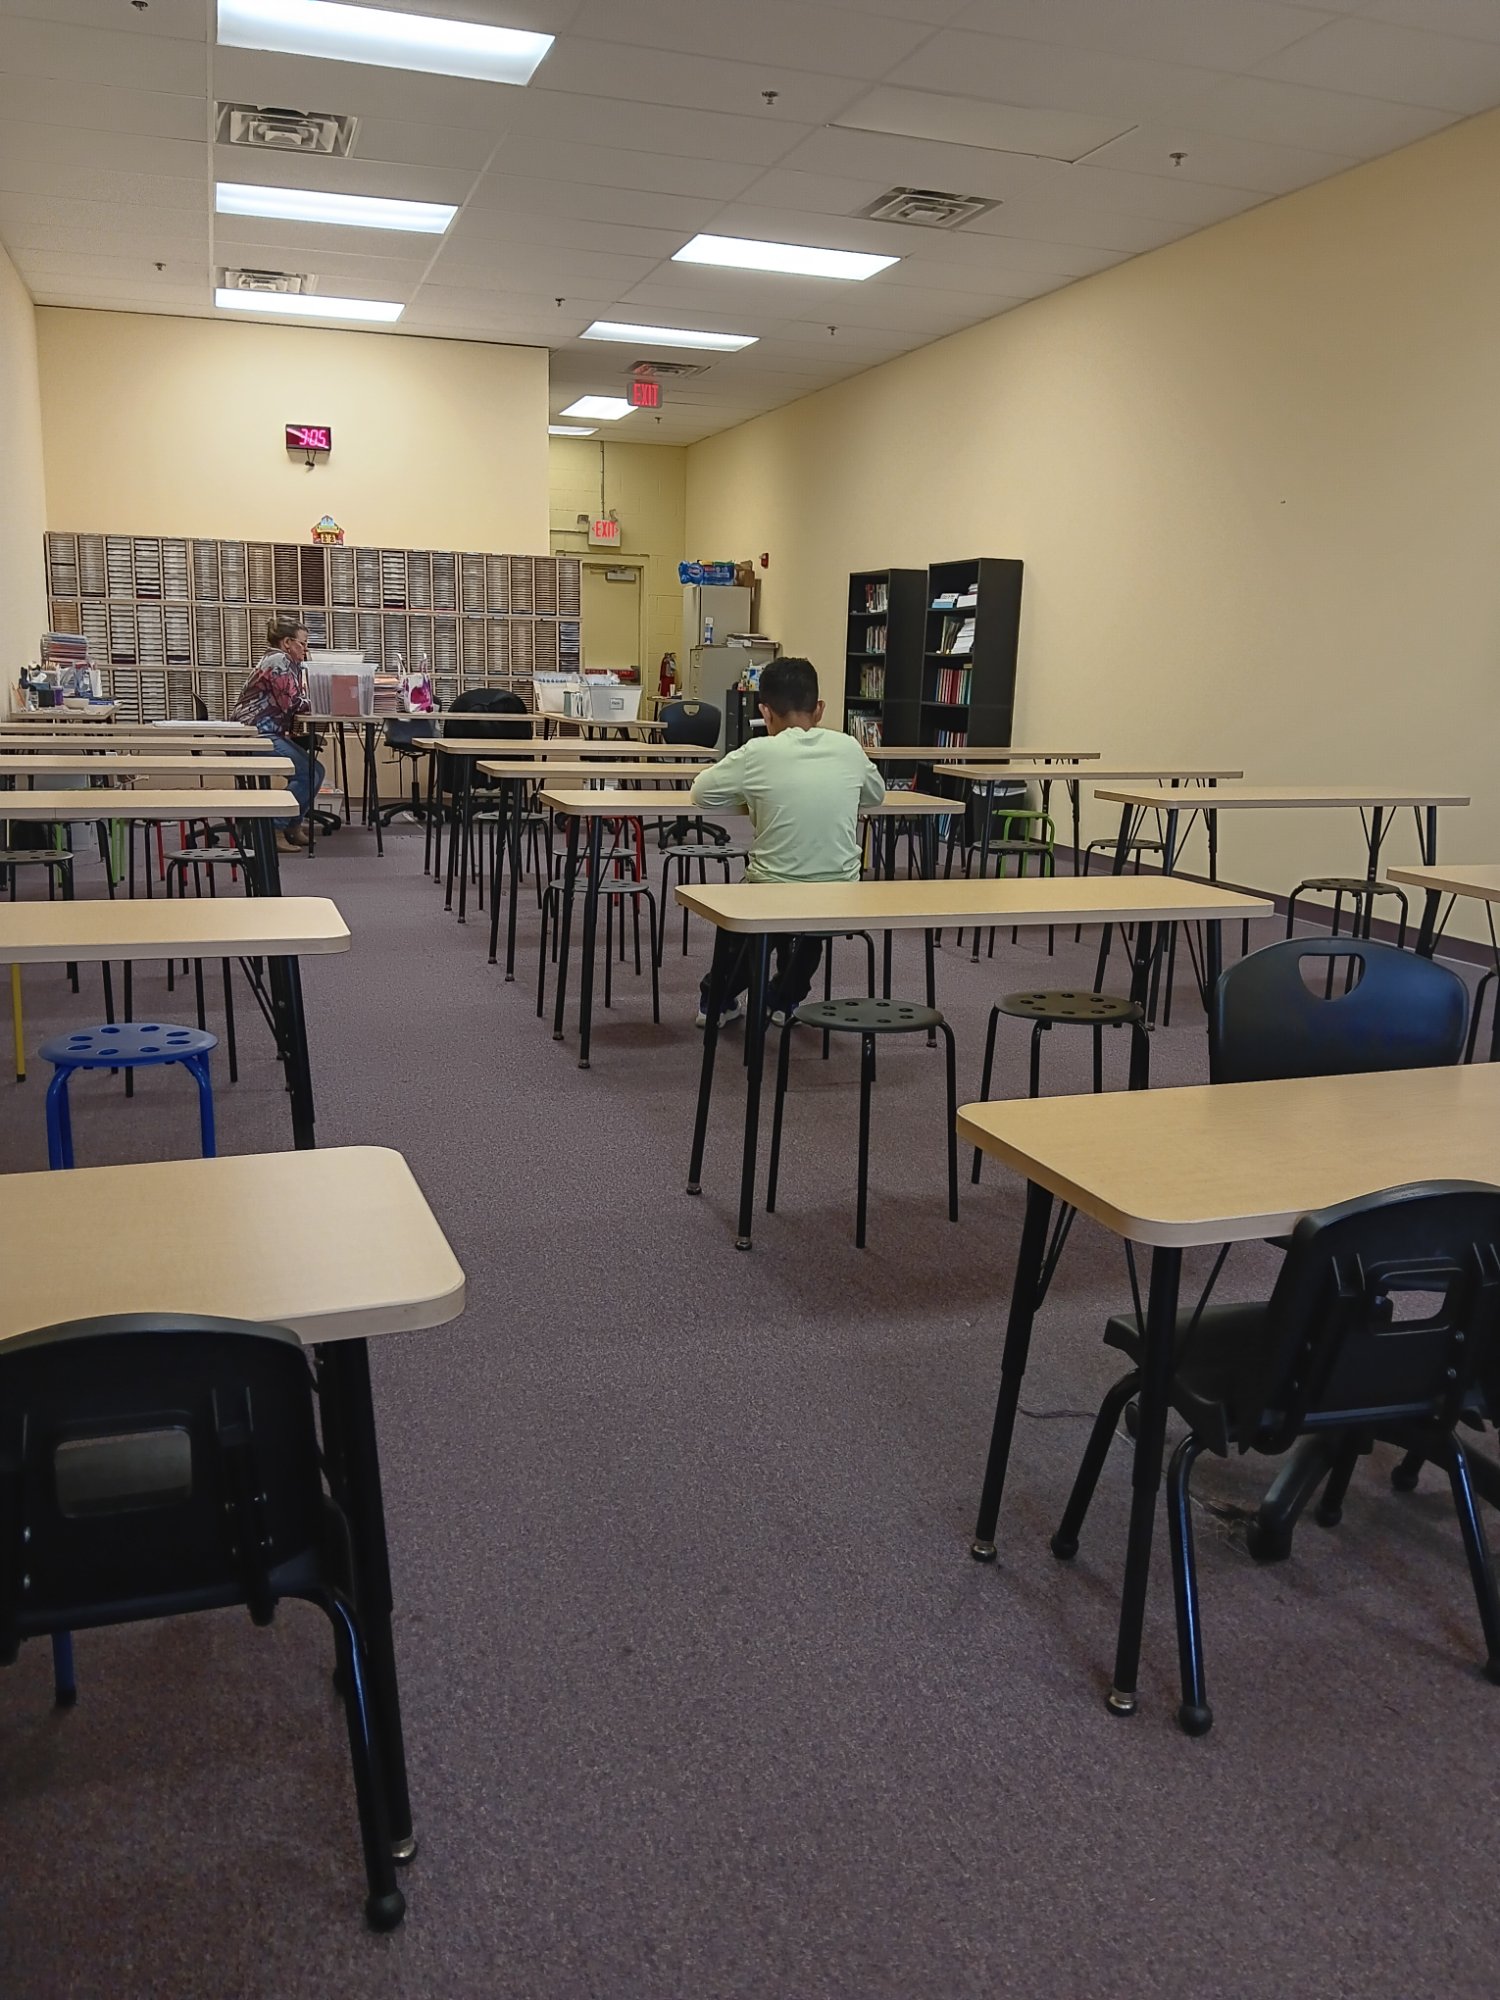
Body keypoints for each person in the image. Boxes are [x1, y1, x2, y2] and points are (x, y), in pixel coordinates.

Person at [688, 656, 885, 1027]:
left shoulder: (758, 752)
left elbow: (701, 794)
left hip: (771, 887)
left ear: (765, 711)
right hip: (839, 890)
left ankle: (717, 1000)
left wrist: (753, 796)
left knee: (754, 912)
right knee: (811, 918)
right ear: (820, 708)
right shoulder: (848, 747)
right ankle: (783, 1000)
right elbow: (875, 796)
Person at [232, 617, 324, 852]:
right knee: (309, 773)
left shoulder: (283, 661)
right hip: (256, 735)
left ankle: (292, 824)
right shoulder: (279, 661)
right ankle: (275, 827)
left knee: (315, 771)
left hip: (264, 732)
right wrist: (326, 701)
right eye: (303, 644)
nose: (306, 649)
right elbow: (291, 703)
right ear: (287, 643)